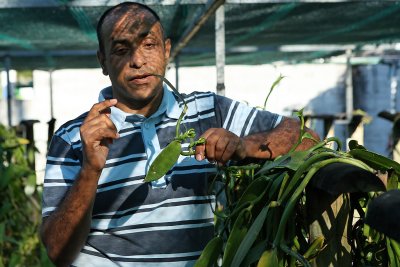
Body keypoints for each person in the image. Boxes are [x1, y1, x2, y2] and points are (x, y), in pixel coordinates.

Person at [40, 2, 319, 266]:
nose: (138, 60)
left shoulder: (208, 111)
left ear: (166, 51)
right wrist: (90, 169)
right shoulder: (74, 137)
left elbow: (306, 138)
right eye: (121, 49)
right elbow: (58, 253)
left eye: (149, 45)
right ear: (103, 61)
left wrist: (244, 146)